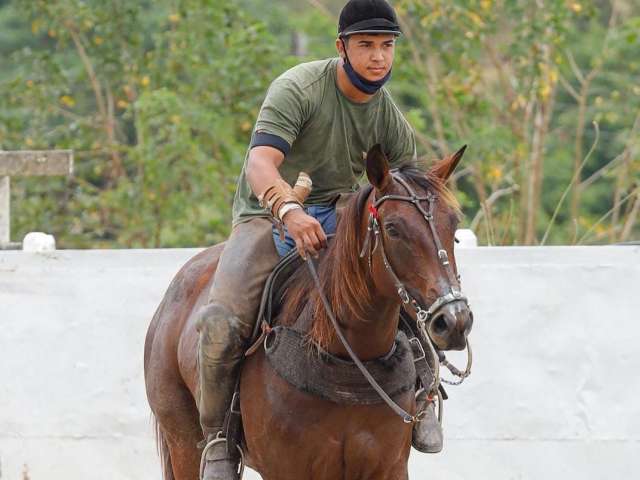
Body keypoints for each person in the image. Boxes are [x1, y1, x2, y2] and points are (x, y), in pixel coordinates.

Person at [197, 1, 442, 478]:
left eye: (386, 46)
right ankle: (219, 437)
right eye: (366, 45)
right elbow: (260, 163)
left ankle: (425, 397)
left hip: (347, 221)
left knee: (418, 291)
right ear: (341, 47)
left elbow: (406, 187)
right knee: (221, 322)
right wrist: (289, 209)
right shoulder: (298, 88)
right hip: (267, 216)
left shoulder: (388, 116)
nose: (378, 57)